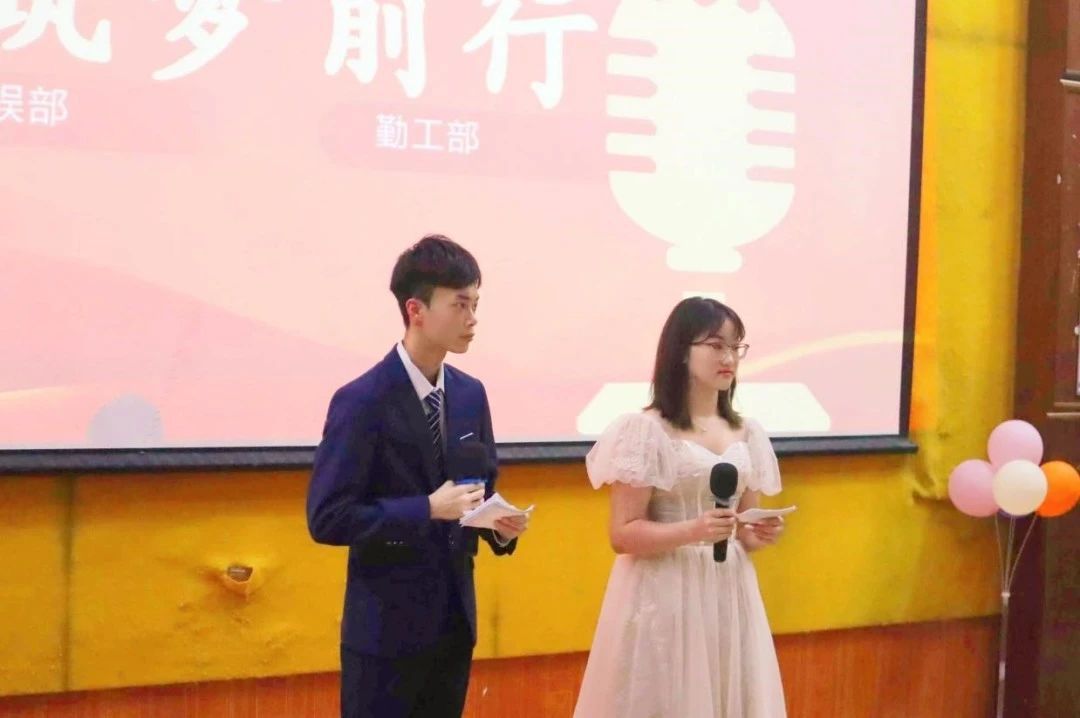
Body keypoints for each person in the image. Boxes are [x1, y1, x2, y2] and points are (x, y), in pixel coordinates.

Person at [307, 234, 528, 718]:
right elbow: (327, 518)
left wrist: (498, 525)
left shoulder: (470, 394)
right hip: (384, 635)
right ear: (416, 310)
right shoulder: (362, 400)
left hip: (453, 627)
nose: (473, 319)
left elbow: (480, 489)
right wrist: (425, 509)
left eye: (476, 304)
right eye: (460, 304)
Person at [574, 297, 787, 718]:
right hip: (666, 592)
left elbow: (744, 526)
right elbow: (622, 534)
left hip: (729, 592)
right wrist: (693, 531)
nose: (728, 358)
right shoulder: (645, 430)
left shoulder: (747, 431)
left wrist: (759, 532)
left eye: (736, 347)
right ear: (681, 351)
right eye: (716, 345)